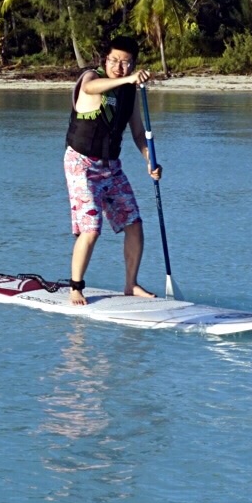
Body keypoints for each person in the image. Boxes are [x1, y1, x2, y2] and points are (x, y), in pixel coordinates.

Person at [64, 34, 161, 306]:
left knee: (134, 223)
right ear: (104, 60)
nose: (120, 67)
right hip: (81, 164)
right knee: (92, 229)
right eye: (115, 61)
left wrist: (149, 160)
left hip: (111, 166)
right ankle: (75, 287)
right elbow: (93, 89)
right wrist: (127, 79)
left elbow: (139, 133)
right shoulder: (90, 78)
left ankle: (131, 285)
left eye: (127, 63)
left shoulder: (130, 93)